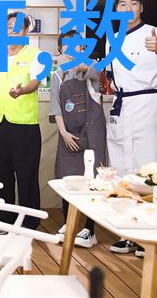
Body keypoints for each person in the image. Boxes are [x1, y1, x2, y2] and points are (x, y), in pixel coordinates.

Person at [106, 0, 157, 257]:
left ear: (141, 7)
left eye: (132, 3)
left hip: (148, 105)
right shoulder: (112, 39)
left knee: (150, 168)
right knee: (122, 168)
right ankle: (128, 233)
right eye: (122, 4)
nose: (127, 9)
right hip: (121, 106)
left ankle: (150, 235)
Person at [0, 13, 44, 230]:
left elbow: (35, 82)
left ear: (26, 31)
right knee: (2, 175)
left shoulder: (36, 54)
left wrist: (22, 91)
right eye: (9, 27)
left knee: (26, 175)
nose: (12, 31)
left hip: (24, 125)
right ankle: (5, 220)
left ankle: (29, 222)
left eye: (18, 27)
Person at [50, 30, 107, 248]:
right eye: (66, 44)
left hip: (92, 135)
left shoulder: (92, 66)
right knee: (67, 179)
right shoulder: (57, 74)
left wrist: (83, 66)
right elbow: (56, 107)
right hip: (69, 134)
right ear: (60, 49)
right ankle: (69, 224)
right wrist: (63, 133)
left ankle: (90, 230)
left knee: (92, 181)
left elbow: (95, 74)